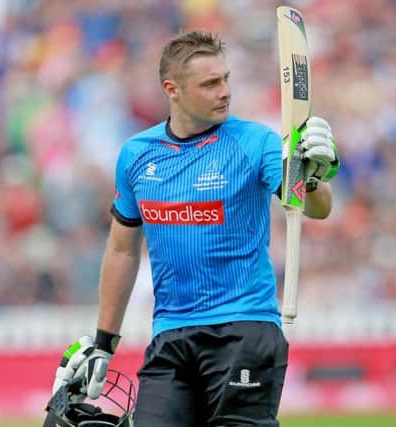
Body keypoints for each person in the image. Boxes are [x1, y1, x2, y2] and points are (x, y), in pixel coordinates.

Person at [50, 31, 340, 426]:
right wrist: (104, 342)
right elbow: (122, 250)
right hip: (172, 333)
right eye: (209, 83)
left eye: (226, 79)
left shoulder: (257, 143)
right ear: (172, 89)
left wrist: (311, 174)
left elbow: (315, 207)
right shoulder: (137, 154)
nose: (224, 92)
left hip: (245, 330)